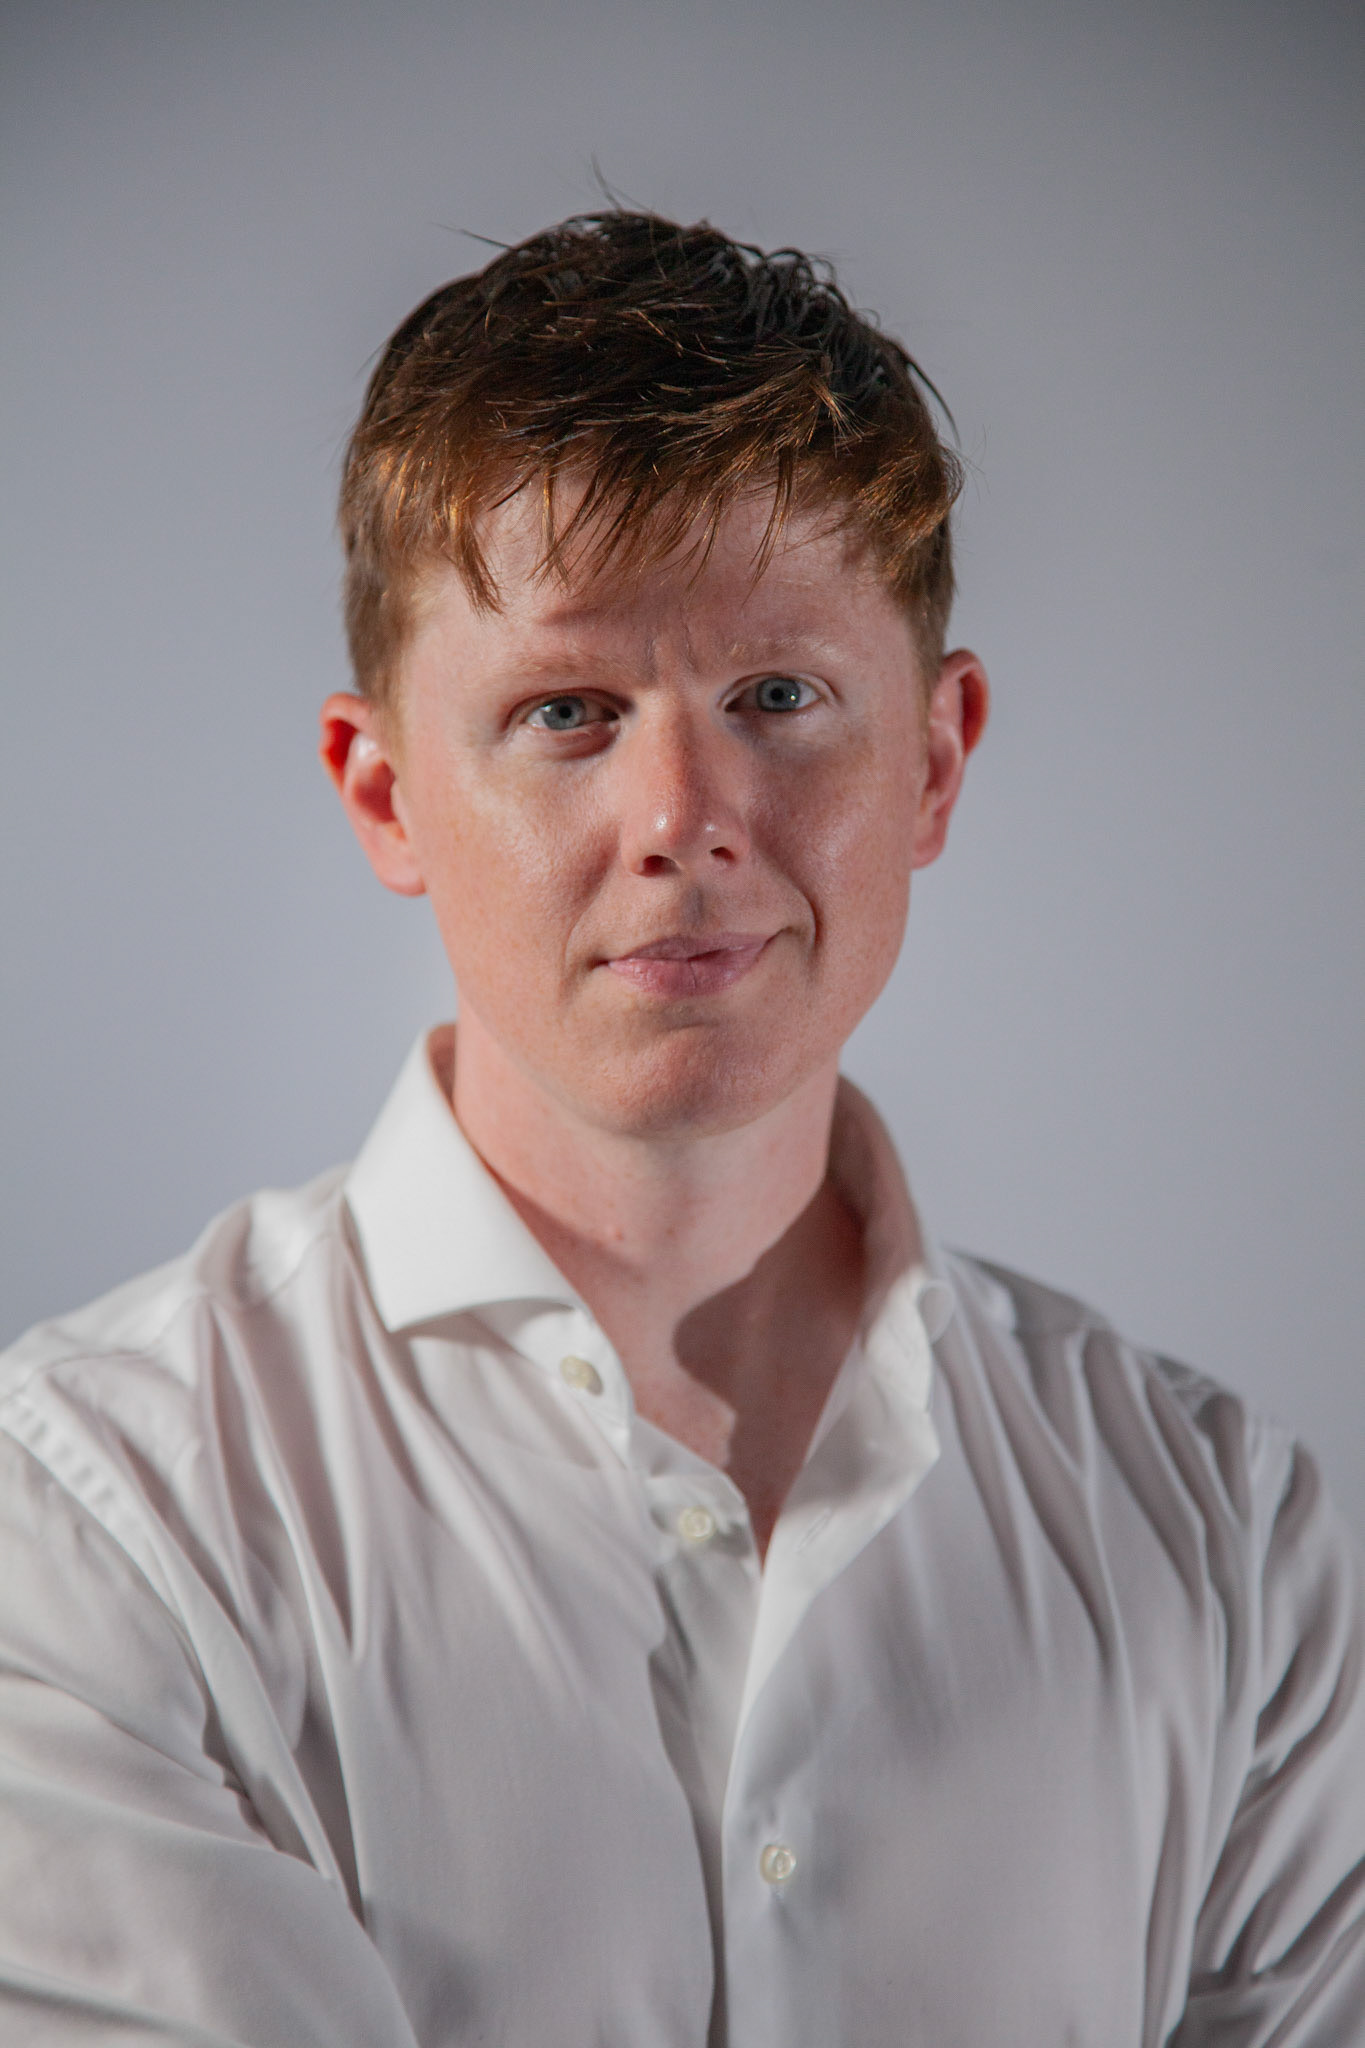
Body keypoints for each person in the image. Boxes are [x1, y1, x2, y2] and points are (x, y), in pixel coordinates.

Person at [0, 210, 1361, 2048]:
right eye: (566, 711)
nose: (682, 816)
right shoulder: (90, 1524)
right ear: (385, 795)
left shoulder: (1224, 1542)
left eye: (777, 697)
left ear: (934, 759)